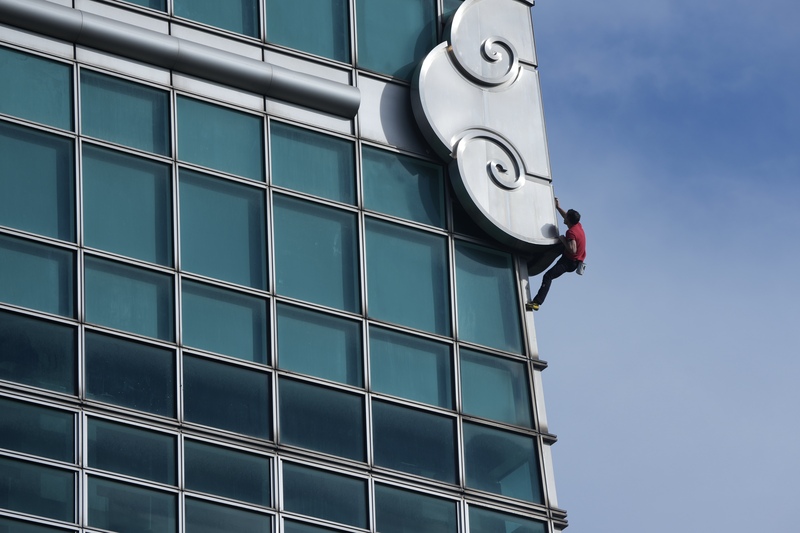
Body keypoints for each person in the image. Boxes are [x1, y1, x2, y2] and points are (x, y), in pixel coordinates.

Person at [526, 197, 586, 311]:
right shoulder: (577, 225)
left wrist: (563, 239)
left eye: (567, 215)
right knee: (557, 245)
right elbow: (566, 217)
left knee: (548, 276)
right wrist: (558, 207)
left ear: (569, 219)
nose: (565, 215)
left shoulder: (571, 232)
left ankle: (536, 303)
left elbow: (572, 250)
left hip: (570, 263)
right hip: (573, 258)